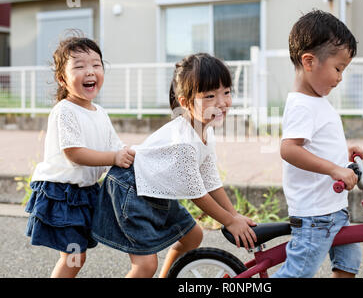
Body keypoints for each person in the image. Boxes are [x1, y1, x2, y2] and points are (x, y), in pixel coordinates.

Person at [91, 53, 257, 278]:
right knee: (145, 264)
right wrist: (228, 221)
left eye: (226, 92)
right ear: (185, 102)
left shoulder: (205, 132)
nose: (222, 102)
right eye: (209, 96)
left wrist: (235, 216)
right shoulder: (184, 142)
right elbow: (196, 193)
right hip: (130, 188)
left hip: (154, 191)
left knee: (192, 236)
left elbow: (210, 181)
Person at [25, 36, 136, 278]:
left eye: (96, 65)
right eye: (79, 66)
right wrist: (114, 158)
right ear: (62, 78)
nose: (90, 71)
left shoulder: (100, 113)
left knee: (76, 255)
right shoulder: (64, 110)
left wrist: (129, 153)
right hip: (62, 193)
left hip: (85, 193)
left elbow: (115, 145)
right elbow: (74, 153)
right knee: (74, 256)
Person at [271, 10, 363, 278]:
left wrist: (342, 155)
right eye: (338, 68)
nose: (340, 78)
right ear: (309, 61)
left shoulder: (317, 101)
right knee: (297, 274)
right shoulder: (301, 105)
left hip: (334, 210)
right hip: (316, 216)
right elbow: (289, 149)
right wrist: (335, 170)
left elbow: (315, 145)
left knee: (348, 265)